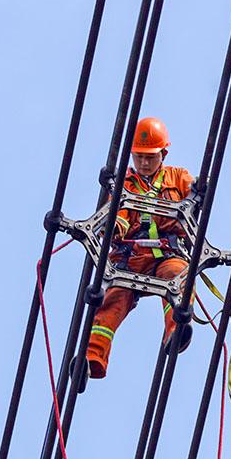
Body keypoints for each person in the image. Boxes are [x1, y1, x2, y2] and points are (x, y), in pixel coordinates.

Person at [84, 116, 195, 383]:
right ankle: (92, 359)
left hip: (167, 254)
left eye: (151, 157)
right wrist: (116, 226)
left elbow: (194, 191)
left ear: (163, 154)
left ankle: (176, 331)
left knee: (179, 277)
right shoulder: (124, 184)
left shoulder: (177, 177)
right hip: (131, 260)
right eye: (139, 157)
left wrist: (200, 189)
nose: (144, 163)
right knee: (112, 299)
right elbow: (117, 212)